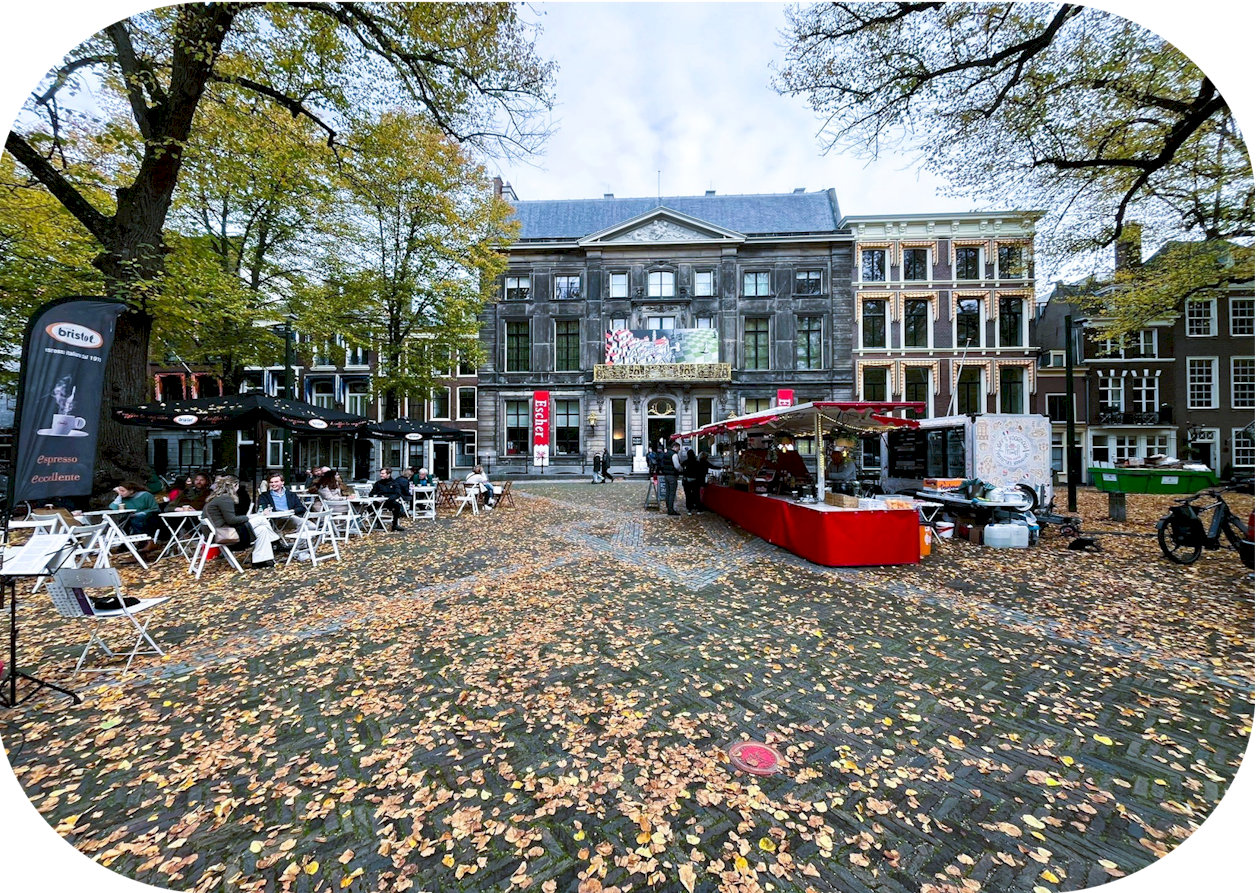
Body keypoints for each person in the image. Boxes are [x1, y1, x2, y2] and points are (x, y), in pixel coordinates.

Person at [201, 475, 278, 568]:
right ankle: (276, 542)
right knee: (261, 519)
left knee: (262, 530)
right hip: (225, 534)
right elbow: (232, 520)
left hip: (217, 533)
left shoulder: (218, 498)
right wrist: (247, 518)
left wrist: (247, 517)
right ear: (234, 485)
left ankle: (259, 561)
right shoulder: (225, 499)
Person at [256, 471, 307, 542]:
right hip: (274, 520)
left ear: (282, 482)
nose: (273, 484)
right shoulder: (264, 496)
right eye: (271, 482)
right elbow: (262, 505)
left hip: (289, 517)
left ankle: (298, 547)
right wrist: (265, 509)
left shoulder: (291, 494)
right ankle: (301, 547)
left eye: (276, 482)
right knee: (303, 524)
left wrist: (291, 511)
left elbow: (301, 508)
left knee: (312, 526)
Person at [369, 466, 407, 531]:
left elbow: (397, 494)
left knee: (397, 505)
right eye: (380, 473)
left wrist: (388, 498)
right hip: (378, 501)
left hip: (389, 501)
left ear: (388, 474)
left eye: (383, 473)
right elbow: (371, 494)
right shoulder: (378, 483)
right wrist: (378, 498)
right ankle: (378, 523)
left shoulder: (394, 483)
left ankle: (395, 524)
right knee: (369, 508)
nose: (381, 475)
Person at [661, 441, 683, 516]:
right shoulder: (674, 455)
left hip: (666, 475)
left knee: (667, 492)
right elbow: (677, 466)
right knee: (672, 493)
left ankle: (668, 507)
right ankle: (671, 509)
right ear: (675, 447)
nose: (679, 450)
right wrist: (681, 470)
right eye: (678, 448)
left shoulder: (666, 454)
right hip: (672, 475)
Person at [681, 448, 705, 514]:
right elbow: (700, 472)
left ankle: (689, 509)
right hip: (695, 481)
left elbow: (681, 470)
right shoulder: (697, 463)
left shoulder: (685, 462)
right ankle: (698, 509)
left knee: (688, 495)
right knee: (696, 494)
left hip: (686, 480)